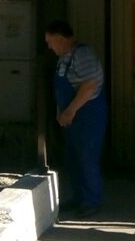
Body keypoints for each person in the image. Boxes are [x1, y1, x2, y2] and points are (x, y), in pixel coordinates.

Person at [44, 19, 107, 217]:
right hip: (72, 118)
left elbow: (90, 85)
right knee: (72, 158)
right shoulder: (64, 58)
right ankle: (78, 197)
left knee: (87, 158)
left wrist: (70, 110)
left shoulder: (82, 54)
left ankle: (91, 201)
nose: (50, 47)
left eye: (51, 42)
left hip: (89, 116)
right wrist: (61, 111)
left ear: (61, 39)